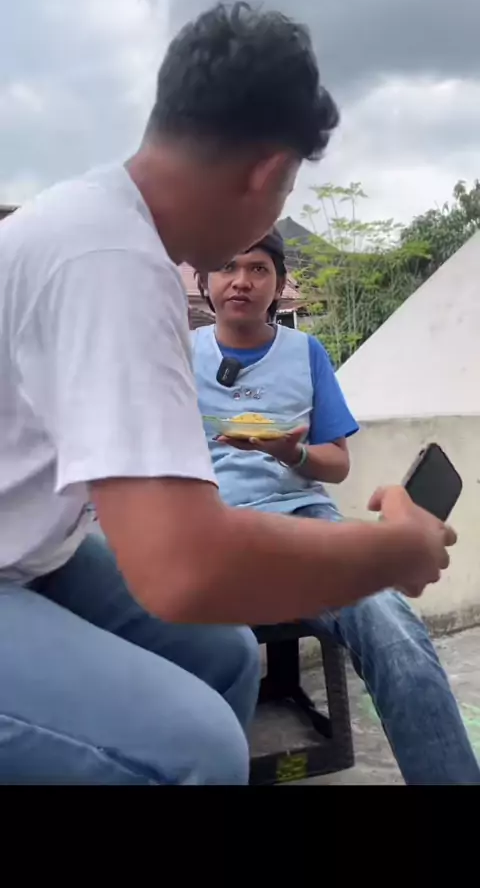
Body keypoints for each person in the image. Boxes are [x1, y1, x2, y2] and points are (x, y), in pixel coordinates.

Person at [0, 2, 456, 786]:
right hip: (32, 559)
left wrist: (307, 476)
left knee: (227, 653)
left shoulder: (101, 226)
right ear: (268, 172)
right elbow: (183, 568)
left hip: (39, 547)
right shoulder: (113, 264)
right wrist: (396, 550)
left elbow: (231, 517)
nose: (240, 276)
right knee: (197, 748)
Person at [191, 227, 480, 785]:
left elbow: (337, 464)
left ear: (278, 283)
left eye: (258, 269)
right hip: (215, 531)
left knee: (391, 621)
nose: (241, 281)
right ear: (206, 280)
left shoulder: (306, 353)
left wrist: (292, 451)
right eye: (227, 266)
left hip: (306, 523)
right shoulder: (178, 353)